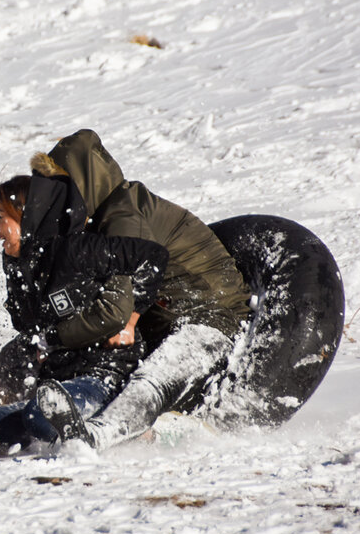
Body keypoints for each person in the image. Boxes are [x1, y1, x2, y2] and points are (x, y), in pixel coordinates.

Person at [20, 129, 253, 450]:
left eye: (62, 188)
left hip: (210, 319)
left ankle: (97, 436)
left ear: (82, 182)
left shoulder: (123, 215)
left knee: (151, 382)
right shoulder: (108, 214)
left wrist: (127, 321)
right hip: (173, 320)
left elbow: (125, 295)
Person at [0, 172, 169, 449]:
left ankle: (130, 431)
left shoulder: (75, 249)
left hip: (105, 374)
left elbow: (153, 256)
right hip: (61, 381)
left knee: (37, 416)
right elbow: (29, 326)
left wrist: (131, 321)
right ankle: (55, 426)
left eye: (0, 217)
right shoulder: (20, 265)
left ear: (25, 216)